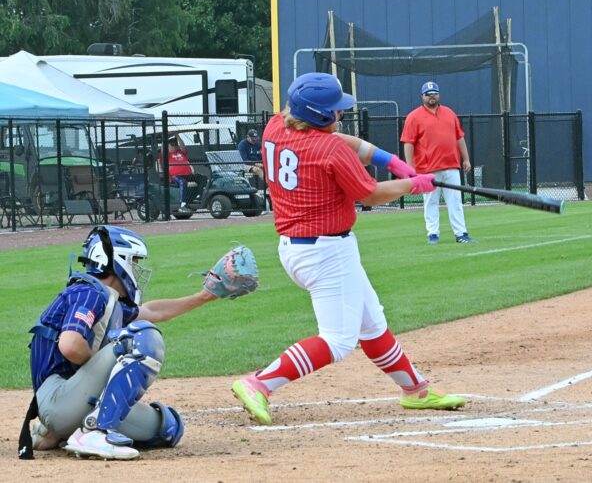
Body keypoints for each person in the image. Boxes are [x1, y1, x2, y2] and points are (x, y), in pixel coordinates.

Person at [231, 72, 465, 425]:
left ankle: (416, 390)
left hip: (298, 246)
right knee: (339, 341)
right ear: (320, 115)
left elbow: (344, 140)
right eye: (334, 110)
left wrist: (391, 160)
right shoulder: (329, 150)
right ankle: (259, 383)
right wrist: (411, 183)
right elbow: (369, 193)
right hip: (326, 252)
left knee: (371, 323)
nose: (339, 114)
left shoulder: (277, 126)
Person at [21, 225, 220, 460]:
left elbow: (153, 311)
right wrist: (104, 369)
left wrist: (205, 296)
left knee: (168, 427)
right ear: (115, 260)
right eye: (133, 262)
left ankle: (65, 432)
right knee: (144, 337)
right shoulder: (89, 292)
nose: (136, 269)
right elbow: (70, 345)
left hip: (71, 402)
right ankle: (96, 432)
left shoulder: (107, 299)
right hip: (58, 400)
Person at [401, 81, 476, 244]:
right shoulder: (414, 117)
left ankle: (461, 233)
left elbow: (459, 137)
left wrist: (466, 158)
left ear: (439, 94)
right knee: (431, 201)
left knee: (455, 201)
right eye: (428, 94)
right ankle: (432, 234)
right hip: (428, 168)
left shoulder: (449, 113)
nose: (431, 96)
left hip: (451, 165)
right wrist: (409, 166)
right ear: (422, 96)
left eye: (434, 93)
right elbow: (408, 143)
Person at [157, 134, 205, 210]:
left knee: (202, 178)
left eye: (176, 144)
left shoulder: (181, 152)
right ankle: (183, 203)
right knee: (183, 182)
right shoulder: (166, 155)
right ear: (168, 146)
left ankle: (199, 196)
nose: (175, 146)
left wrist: (177, 136)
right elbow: (163, 151)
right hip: (175, 176)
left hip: (187, 174)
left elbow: (182, 146)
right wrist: (164, 140)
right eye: (172, 145)